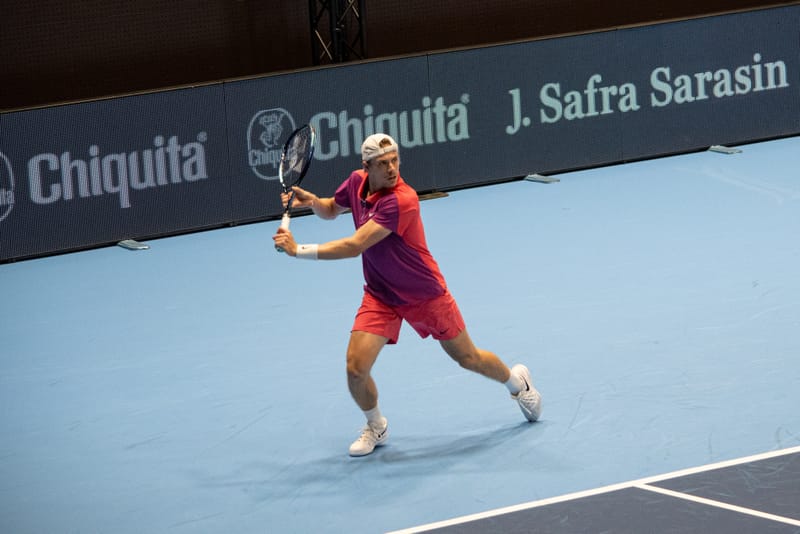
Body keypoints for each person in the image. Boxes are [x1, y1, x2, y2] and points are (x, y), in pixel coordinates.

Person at [272, 133, 542, 457]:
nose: (391, 169)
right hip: (382, 294)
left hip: (425, 294)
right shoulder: (356, 183)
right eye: (383, 163)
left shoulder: (402, 200)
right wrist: (313, 201)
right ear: (366, 166)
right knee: (355, 368)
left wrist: (297, 249)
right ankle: (376, 426)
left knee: (467, 358)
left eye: (395, 161)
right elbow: (332, 209)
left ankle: (516, 383)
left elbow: (355, 245)